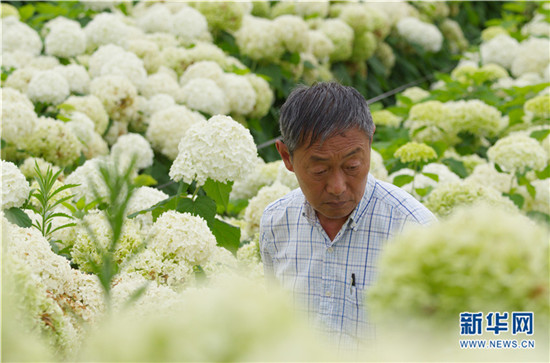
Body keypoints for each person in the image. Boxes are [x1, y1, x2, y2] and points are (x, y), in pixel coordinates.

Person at [259, 82, 436, 352]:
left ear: (370, 142)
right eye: (319, 170)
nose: (338, 186)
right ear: (286, 157)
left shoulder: (416, 232)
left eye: (352, 166)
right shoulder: (276, 224)